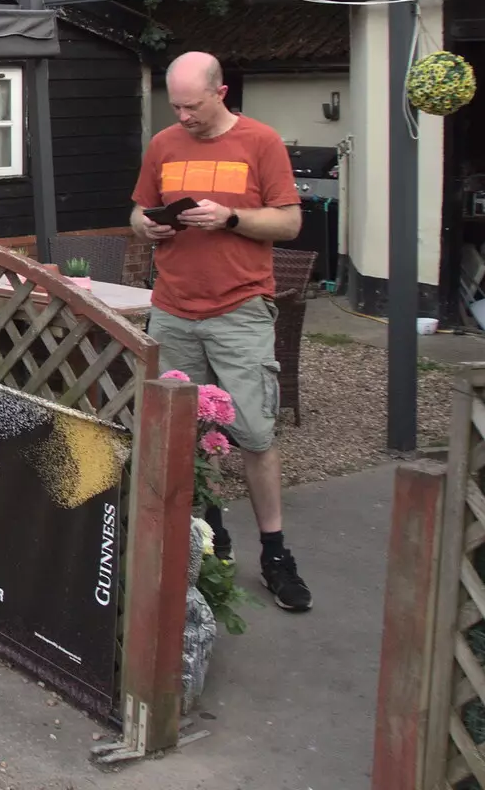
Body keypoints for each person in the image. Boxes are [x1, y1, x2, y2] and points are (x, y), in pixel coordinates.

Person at [130, 51, 311, 612]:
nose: (182, 115)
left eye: (191, 105)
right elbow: (137, 213)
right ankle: (210, 540)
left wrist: (231, 218)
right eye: (176, 105)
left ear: (221, 92)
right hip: (174, 308)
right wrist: (150, 227)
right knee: (186, 435)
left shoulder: (261, 143)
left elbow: (289, 220)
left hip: (239, 311)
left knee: (255, 433)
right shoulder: (163, 144)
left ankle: (276, 552)